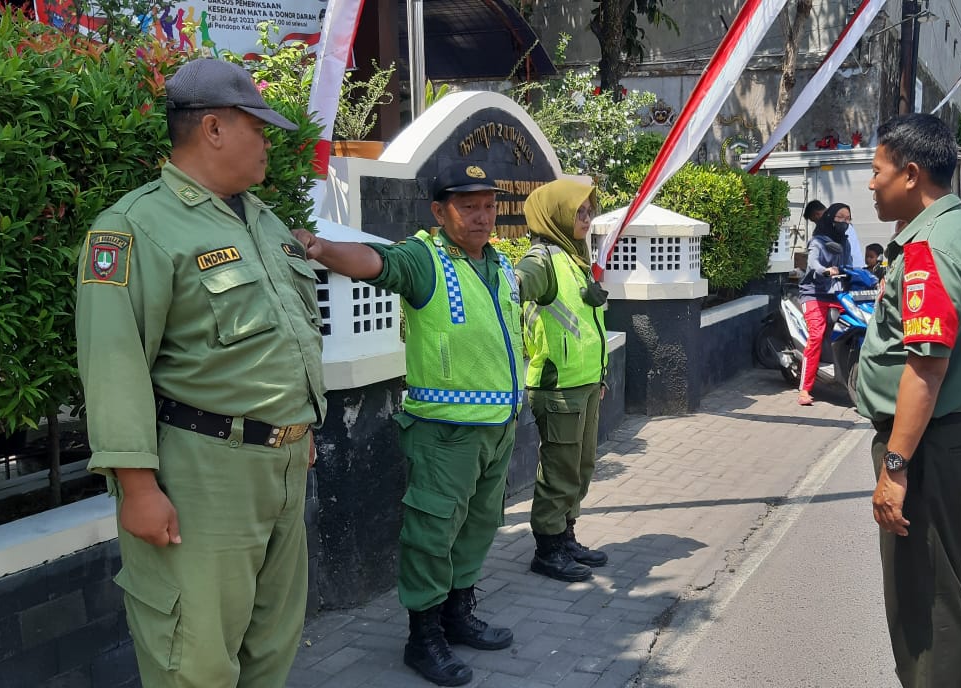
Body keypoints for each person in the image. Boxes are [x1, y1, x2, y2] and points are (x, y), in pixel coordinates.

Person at [75, 59, 326, 688]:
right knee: (196, 659)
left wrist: (300, 428)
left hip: (284, 466)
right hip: (203, 473)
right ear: (213, 128)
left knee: (272, 644)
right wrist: (137, 486)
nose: (269, 142)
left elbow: (284, 338)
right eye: (258, 128)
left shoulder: (261, 220)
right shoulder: (134, 227)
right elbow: (114, 360)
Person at [291, 164, 521, 687]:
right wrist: (323, 249)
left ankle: (458, 616)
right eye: (468, 205)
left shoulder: (500, 264)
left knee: (477, 527)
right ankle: (423, 638)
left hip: (497, 428)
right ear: (440, 212)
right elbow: (377, 262)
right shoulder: (425, 258)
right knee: (431, 534)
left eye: (488, 204)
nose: (482, 215)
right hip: (445, 434)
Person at [856, 113, 961, 688]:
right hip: (953, 440)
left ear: (910, 175)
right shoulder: (956, 231)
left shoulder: (929, 248)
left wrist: (895, 467)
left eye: (877, 170)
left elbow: (925, 369)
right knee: (940, 593)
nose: (871, 184)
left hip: (929, 450)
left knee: (926, 613)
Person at [513, 180, 610, 584]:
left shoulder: (574, 258)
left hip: (585, 382)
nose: (587, 219)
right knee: (559, 469)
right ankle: (548, 549)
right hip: (557, 387)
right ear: (556, 215)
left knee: (581, 466)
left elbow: (587, 323)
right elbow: (515, 284)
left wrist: (599, 375)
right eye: (579, 212)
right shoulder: (542, 259)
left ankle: (566, 535)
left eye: (590, 211)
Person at [797, 202, 852, 406]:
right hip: (814, 294)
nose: (844, 222)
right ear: (830, 218)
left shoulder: (844, 242)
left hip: (835, 294)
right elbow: (813, 263)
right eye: (840, 218)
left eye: (848, 219)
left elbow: (848, 265)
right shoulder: (818, 241)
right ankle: (805, 389)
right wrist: (825, 270)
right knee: (817, 336)